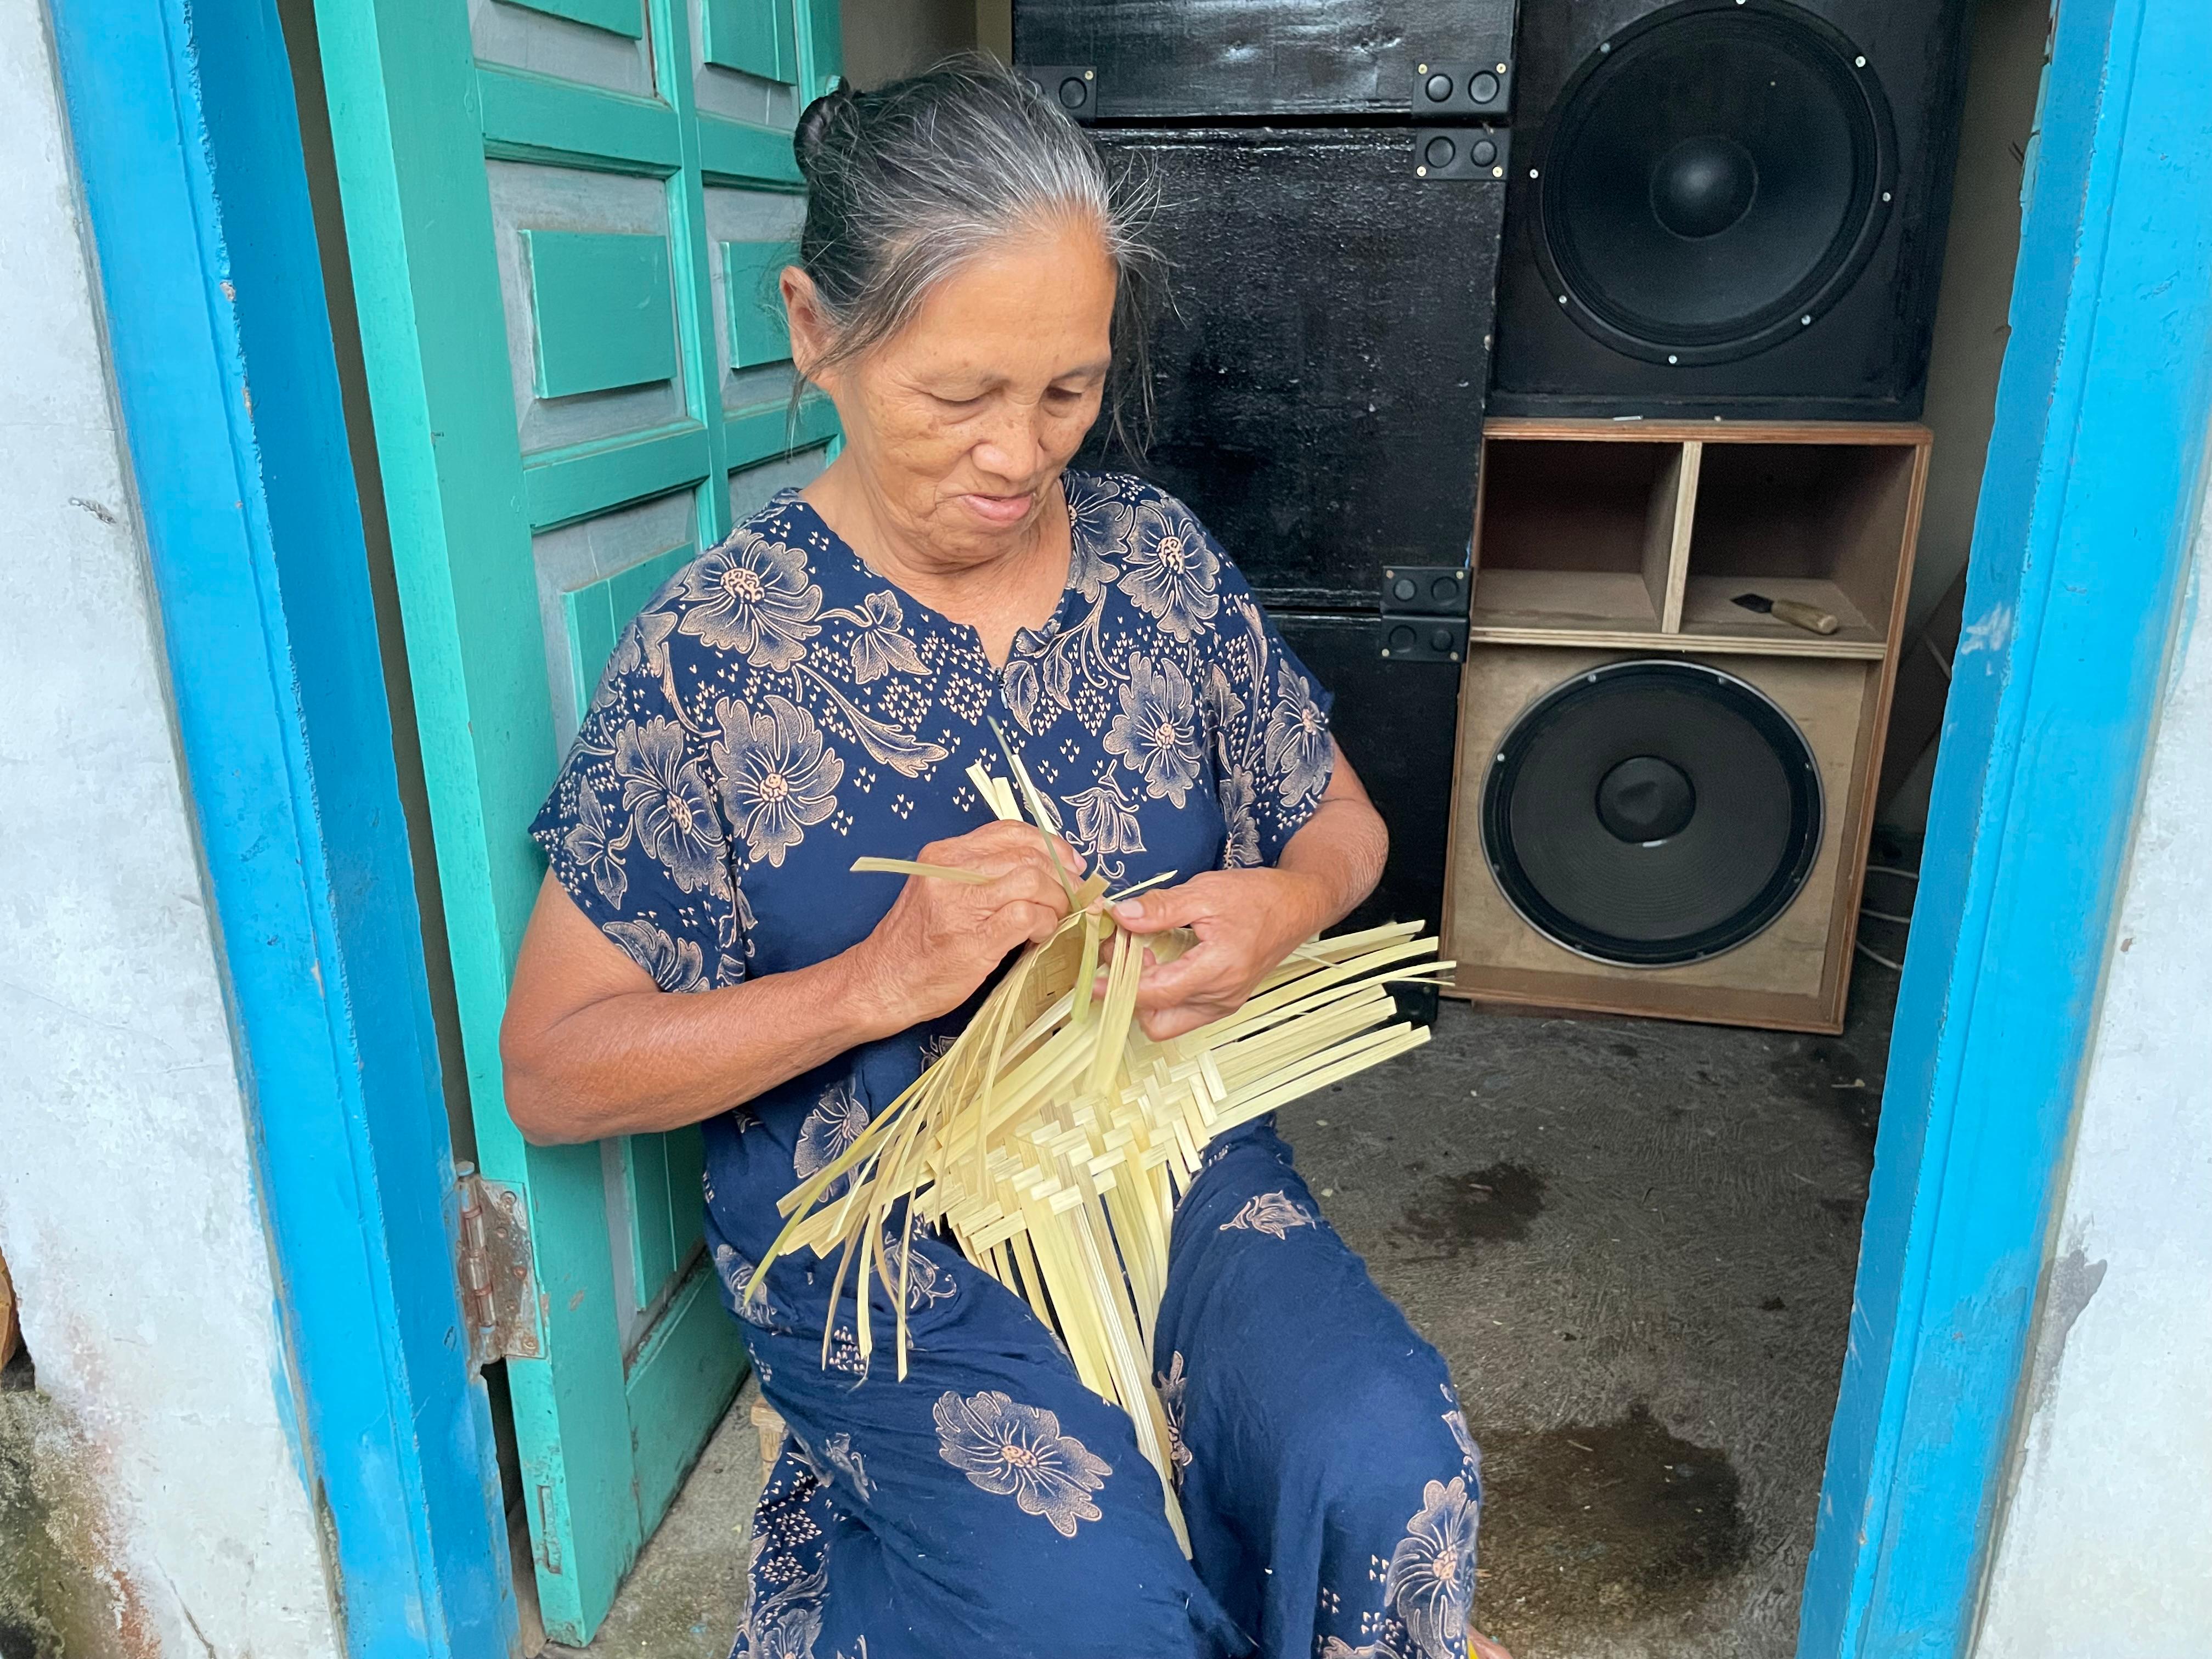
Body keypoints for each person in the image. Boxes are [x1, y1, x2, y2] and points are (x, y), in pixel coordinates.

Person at [501, 57, 1508, 1659]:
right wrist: (872, 983)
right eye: (956, 396)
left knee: (1393, 1462)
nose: (1020, 454)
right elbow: (553, 1073)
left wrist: (1289, 904)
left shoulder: (1158, 565)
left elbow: (1344, 826)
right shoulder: (711, 657)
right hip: (875, 1226)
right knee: (1084, 1604)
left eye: (1067, 391)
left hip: (1172, 1152)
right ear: (816, 330)